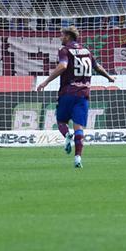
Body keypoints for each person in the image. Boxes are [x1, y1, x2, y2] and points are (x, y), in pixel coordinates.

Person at [35, 27, 115, 168]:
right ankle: (78, 157)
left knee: (61, 121)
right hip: (83, 94)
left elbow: (63, 66)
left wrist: (46, 81)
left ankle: (67, 135)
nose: (60, 38)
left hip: (68, 92)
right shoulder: (86, 51)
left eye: (62, 35)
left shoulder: (65, 50)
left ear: (68, 36)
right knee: (79, 127)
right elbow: (97, 67)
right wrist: (109, 77)